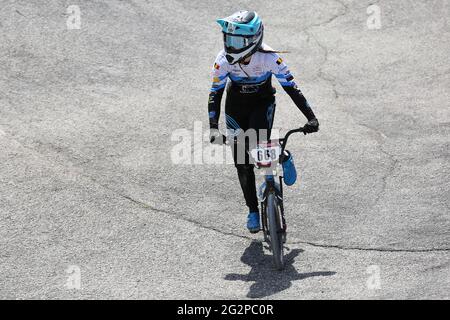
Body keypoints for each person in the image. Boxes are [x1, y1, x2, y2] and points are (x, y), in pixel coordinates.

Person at [207, 10, 319, 233]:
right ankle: (252, 211)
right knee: (242, 162)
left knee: (259, 144)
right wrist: (213, 126)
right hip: (235, 108)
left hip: (261, 103)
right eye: (228, 39)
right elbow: (215, 94)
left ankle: (284, 157)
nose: (231, 45)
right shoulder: (222, 61)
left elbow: (291, 88)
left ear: (253, 39)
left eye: (237, 41)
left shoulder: (269, 57)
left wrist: (311, 117)